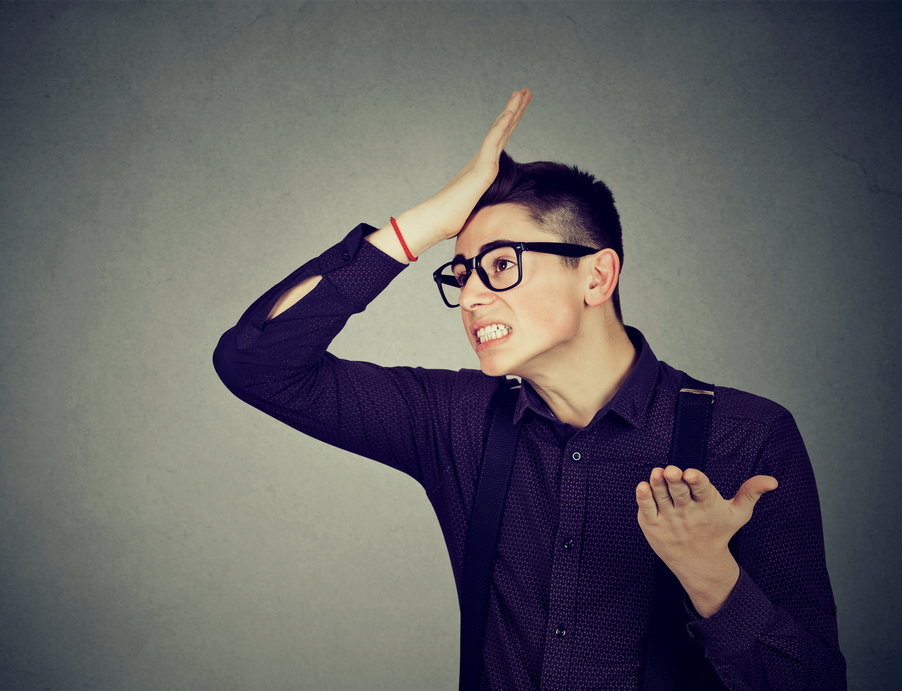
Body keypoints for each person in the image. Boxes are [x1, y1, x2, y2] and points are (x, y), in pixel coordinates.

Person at [213, 90, 846, 689]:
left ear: (597, 277)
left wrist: (711, 575)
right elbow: (256, 363)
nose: (471, 296)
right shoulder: (454, 422)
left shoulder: (744, 437)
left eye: (500, 264)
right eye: (460, 274)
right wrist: (423, 226)